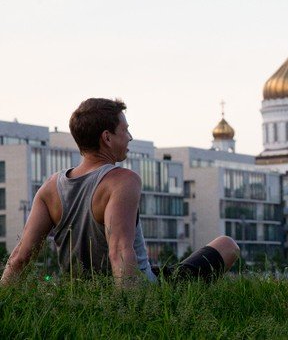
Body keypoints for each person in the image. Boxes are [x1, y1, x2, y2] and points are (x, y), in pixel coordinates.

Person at [1, 98, 240, 287]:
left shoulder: (50, 187)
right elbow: (119, 252)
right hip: (137, 289)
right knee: (227, 244)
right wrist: (130, 313)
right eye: (125, 130)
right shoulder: (122, 181)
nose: (130, 137)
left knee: (167, 269)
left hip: (78, 293)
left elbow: (20, 257)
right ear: (107, 137)